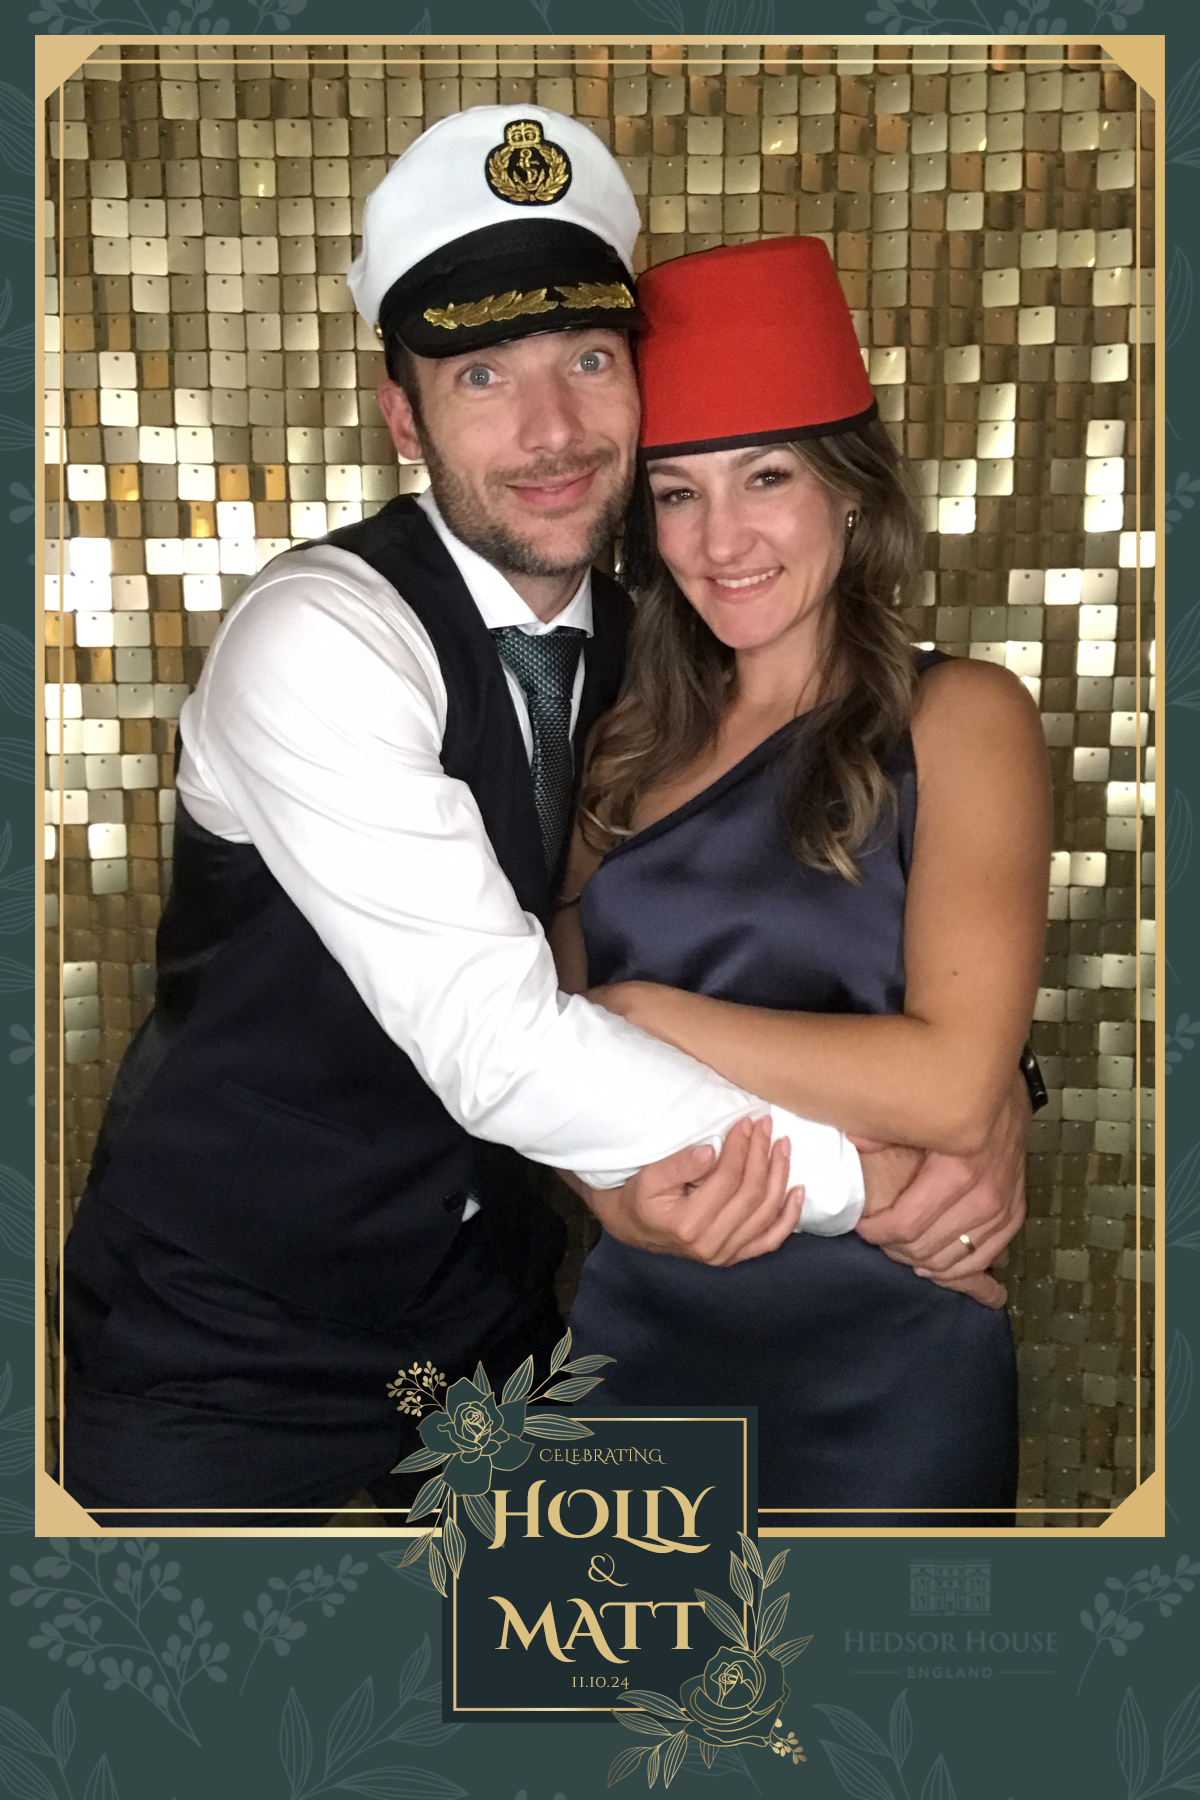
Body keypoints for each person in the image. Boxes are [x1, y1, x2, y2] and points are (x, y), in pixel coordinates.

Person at [60, 109, 890, 1530]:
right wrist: (878, 1183)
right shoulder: (320, 636)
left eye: (588, 359)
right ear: (405, 419)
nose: (553, 431)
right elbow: (500, 1043)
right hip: (222, 1349)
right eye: (483, 374)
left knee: (554, 1676)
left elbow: (787, 923)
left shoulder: (668, 639)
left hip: (502, 1322)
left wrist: (994, 1092)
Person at [559, 237, 1052, 1527]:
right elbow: (531, 1032)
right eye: (677, 493)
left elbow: (953, 1085)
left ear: (849, 489)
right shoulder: (623, 741)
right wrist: (598, 1178)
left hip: (885, 1363)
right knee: (598, 1662)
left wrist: (636, 1020)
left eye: (766, 476)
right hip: (636, 1332)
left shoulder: (962, 717)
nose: (722, 540)